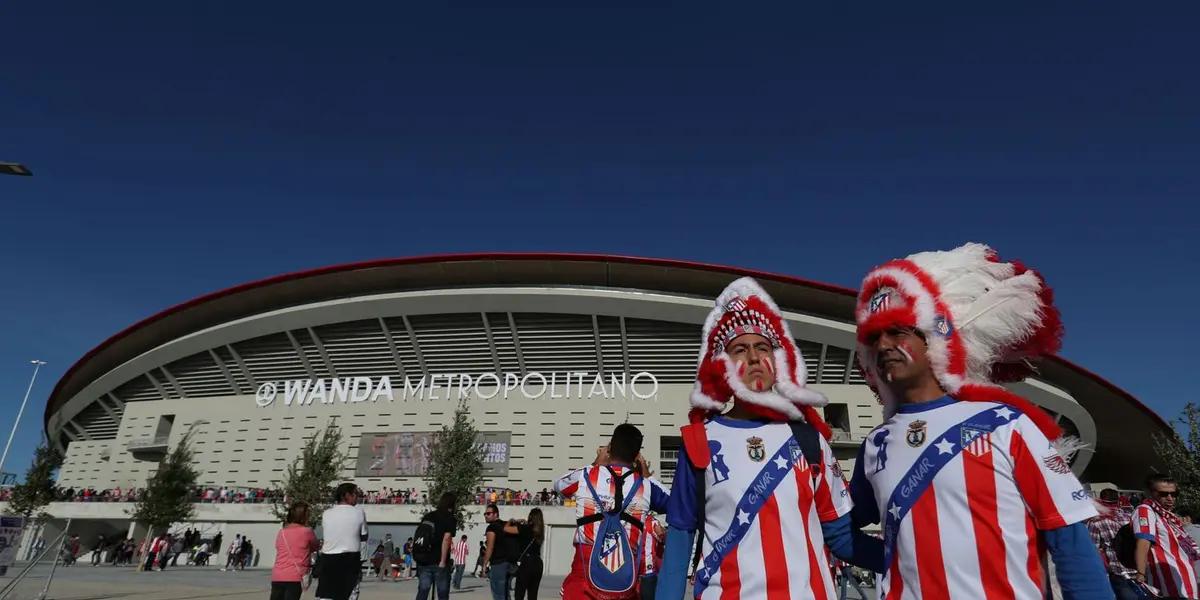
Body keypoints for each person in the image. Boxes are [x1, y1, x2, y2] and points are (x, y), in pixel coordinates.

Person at [844, 243, 1109, 598]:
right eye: (873, 337)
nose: (884, 345)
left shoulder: (1007, 424)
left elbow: (1070, 542)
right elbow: (840, 530)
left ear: (935, 338)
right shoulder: (876, 445)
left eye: (898, 331)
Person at [658, 278, 852, 600]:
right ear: (723, 366)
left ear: (776, 362)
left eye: (762, 347)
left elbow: (841, 536)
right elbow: (679, 541)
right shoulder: (698, 439)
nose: (752, 357)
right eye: (739, 349)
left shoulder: (810, 439)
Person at [556, 424, 668, 600]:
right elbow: (674, 502)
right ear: (636, 455)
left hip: (583, 573)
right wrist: (647, 475)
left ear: (609, 448)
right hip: (624, 576)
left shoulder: (587, 475)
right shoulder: (645, 486)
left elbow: (559, 485)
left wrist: (596, 463)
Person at [1133, 474, 1200, 598]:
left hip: (1185, 580)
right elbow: (1143, 541)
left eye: (1174, 494)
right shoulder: (1145, 510)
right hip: (1168, 583)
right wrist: (1140, 574)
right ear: (1150, 493)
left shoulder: (1167, 515)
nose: (1170, 498)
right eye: (1163, 494)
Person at [1087, 488, 1146, 599]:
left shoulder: (1096, 521)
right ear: (1118, 500)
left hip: (1118, 570)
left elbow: (1092, 549)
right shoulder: (1130, 516)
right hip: (1139, 567)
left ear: (1101, 500)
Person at [315, 483, 368, 600]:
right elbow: (364, 536)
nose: (357, 497)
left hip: (328, 558)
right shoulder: (359, 512)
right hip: (350, 557)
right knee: (349, 593)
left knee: (327, 594)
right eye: (356, 494)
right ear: (347, 495)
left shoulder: (326, 513)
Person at [271, 501, 320, 600]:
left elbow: (278, 547)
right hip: (295, 576)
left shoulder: (282, 532)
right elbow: (315, 546)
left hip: (278, 575)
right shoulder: (307, 531)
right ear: (303, 516)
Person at [414, 492, 457, 600]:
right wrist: (442, 561)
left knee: (423, 591)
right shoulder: (450, 518)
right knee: (442, 593)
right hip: (439, 562)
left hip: (424, 560)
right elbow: (446, 539)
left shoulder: (428, 516)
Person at [504, 508, 545, 600]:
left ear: (530, 517)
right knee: (533, 594)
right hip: (538, 563)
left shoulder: (524, 529)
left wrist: (511, 521)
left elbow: (506, 529)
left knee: (519, 593)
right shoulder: (540, 532)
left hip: (527, 562)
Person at [481, 504, 518, 600]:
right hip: (511, 564)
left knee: (498, 595)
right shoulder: (507, 525)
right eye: (485, 514)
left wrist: (484, 565)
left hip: (498, 564)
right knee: (506, 594)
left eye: (488, 513)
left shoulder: (492, 527)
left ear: (495, 514)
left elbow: (490, 547)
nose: (486, 515)